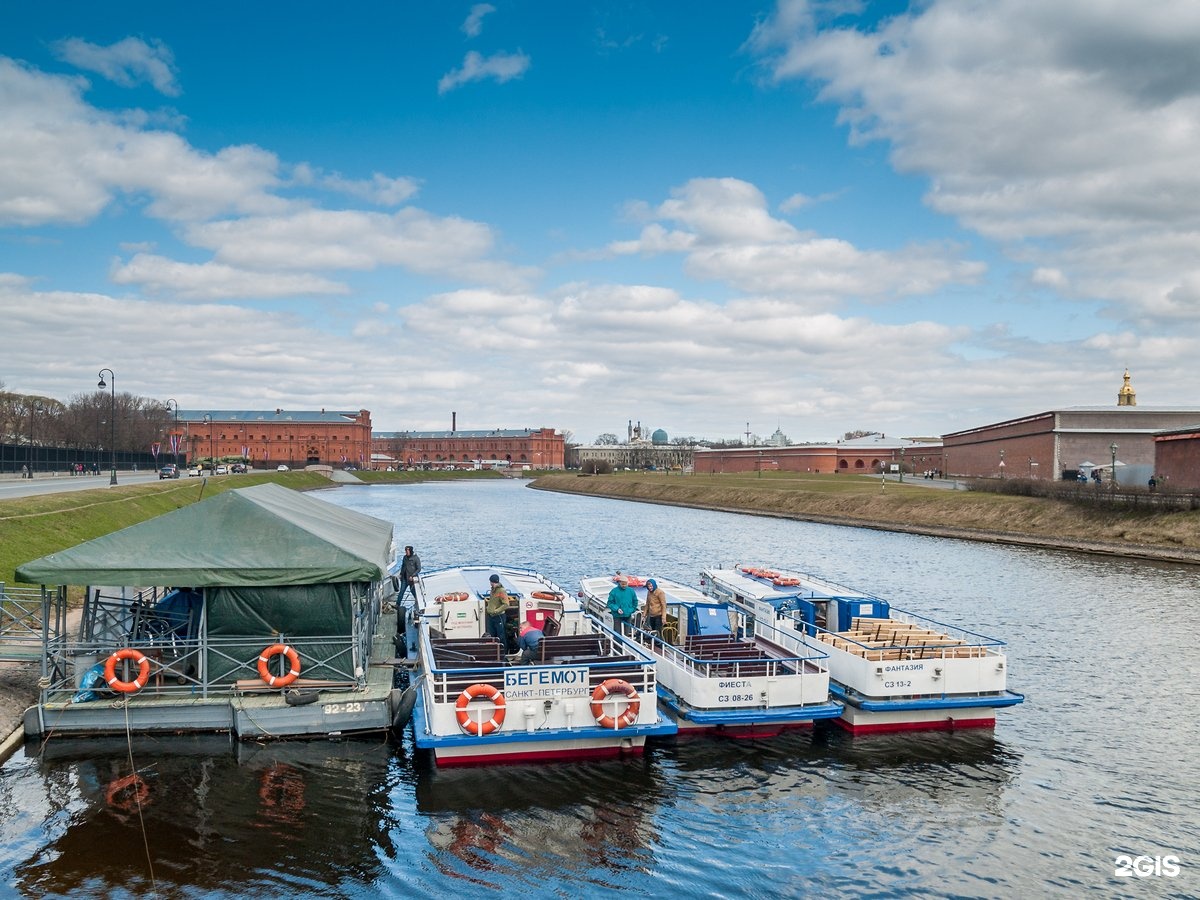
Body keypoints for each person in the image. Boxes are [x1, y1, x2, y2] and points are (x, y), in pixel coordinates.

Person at [485, 574, 510, 647]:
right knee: (492, 635)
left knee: (501, 636)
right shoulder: (493, 590)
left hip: (498, 616)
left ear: (491, 582)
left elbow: (506, 604)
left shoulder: (501, 591)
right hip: (491, 616)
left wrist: (496, 611)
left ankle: (503, 652)